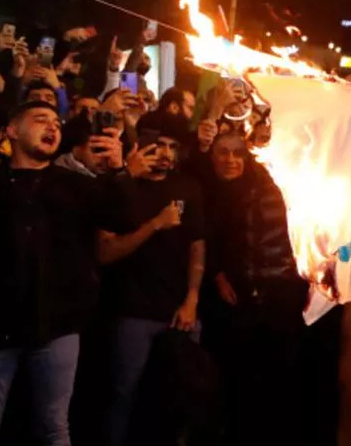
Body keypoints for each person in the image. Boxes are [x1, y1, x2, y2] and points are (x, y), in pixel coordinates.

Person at [0, 101, 137, 446]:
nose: (52, 127)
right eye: (40, 120)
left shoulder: (76, 186)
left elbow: (123, 220)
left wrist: (117, 170)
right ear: (11, 131)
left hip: (57, 327)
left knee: (53, 428)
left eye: (56, 122)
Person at [100, 112, 205, 446]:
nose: (164, 153)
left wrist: (192, 299)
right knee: (123, 395)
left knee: (186, 392)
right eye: (158, 145)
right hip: (133, 310)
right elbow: (105, 253)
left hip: (179, 310)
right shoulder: (123, 187)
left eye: (173, 147)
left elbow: (197, 246)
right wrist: (154, 225)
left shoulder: (188, 187)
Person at [199, 130, 307, 445]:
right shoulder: (208, 192)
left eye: (238, 152)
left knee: (282, 378)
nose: (231, 160)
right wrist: (218, 275)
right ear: (213, 156)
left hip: (281, 296)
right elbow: (203, 240)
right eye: (224, 152)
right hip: (236, 301)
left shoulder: (279, 185)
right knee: (241, 380)